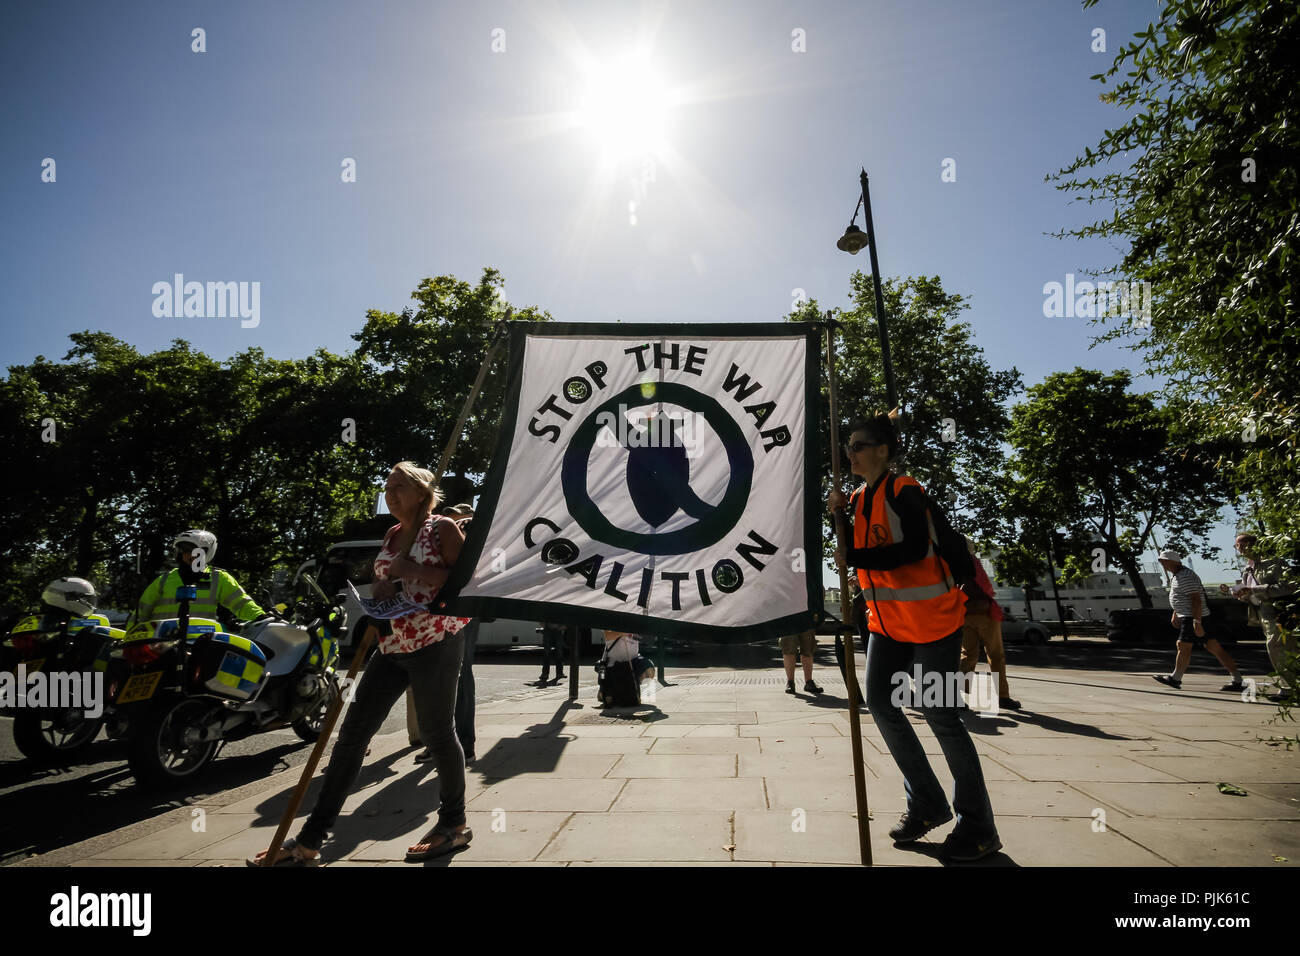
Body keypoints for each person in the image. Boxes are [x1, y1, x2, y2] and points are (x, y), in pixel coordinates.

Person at [250, 461, 471, 866]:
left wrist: (414, 570)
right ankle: (309, 841)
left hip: (435, 642)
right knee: (351, 736)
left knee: (439, 735)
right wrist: (383, 587)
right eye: (387, 487)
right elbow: (387, 578)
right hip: (390, 645)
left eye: (400, 486)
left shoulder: (441, 528)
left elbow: (466, 579)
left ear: (422, 492)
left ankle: (453, 826)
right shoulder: (392, 534)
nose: (390, 493)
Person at [828, 412, 1000, 862]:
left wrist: (854, 553)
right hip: (887, 624)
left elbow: (910, 551)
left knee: (940, 715)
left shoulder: (905, 490)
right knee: (881, 703)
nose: (850, 453)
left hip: (933, 622)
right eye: (848, 445)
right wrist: (838, 517)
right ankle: (927, 803)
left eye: (858, 445)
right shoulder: (861, 496)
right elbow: (850, 554)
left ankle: (979, 827)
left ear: (883, 451)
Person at [419, 503, 479, 762]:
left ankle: (462, 743)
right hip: (438, 608)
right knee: (437, 677)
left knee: (460, 674)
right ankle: (441, 741)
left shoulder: (467, 528)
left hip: (460, 608)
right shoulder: (438, 529)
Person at [1152, 549, 1243, 692]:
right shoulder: (1179, 575)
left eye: (1164, 562)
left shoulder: (1185, 576)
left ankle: (1175, 678)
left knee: (1183, 645)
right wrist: (1176, 613)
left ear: (1172, 562)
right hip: (1192, 616)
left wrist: (1197, 622)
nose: (1163, 565)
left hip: (1193, 617)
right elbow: (1183, 597)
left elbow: (1196, 600)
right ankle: (1237, 679)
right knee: (1214, 647)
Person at [132, 530, 264, 628]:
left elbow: (241, 603)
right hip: (162, 644)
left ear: (206, 553)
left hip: (200, 645)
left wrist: (262, 617)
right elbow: (140, 612)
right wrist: (130, 636)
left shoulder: (219, 578)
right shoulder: (164, 580)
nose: (188, 554)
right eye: (184, 550)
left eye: (194, 550)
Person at [1222, 532, 1295, 701]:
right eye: (1237, 546)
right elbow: (1250, 595)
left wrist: (1256, 590)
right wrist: (1240, 594)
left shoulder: (1275, 563)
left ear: (1250, 545)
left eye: (1239, 545)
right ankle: (1290, 686)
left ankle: (1289, 688)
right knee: (1280, 649)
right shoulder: (1248, 569)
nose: (1238, 549)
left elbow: (1290, 585)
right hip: (1264, 614)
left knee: (1278, 647)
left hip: (1281, 613)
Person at [958, 538, 1019, 710]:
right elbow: (985, 586)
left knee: (968, 654)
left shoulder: (952, 563)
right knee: (996, 655)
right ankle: (1003, 696)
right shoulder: (973, 562)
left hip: (964, 613)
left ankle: (958, 695)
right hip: (984, 612)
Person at [780, 629, 822, 694]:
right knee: (788, 648)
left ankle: (809, 683)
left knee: (808, 649)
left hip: (807, 621)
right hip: (787, 621)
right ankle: (790, 683)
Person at [535, 621, 567, 686]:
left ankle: (546, 674)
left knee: (552, 653)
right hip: (552, 629)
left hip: (552, 629)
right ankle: (556, 673)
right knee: (554, 653)